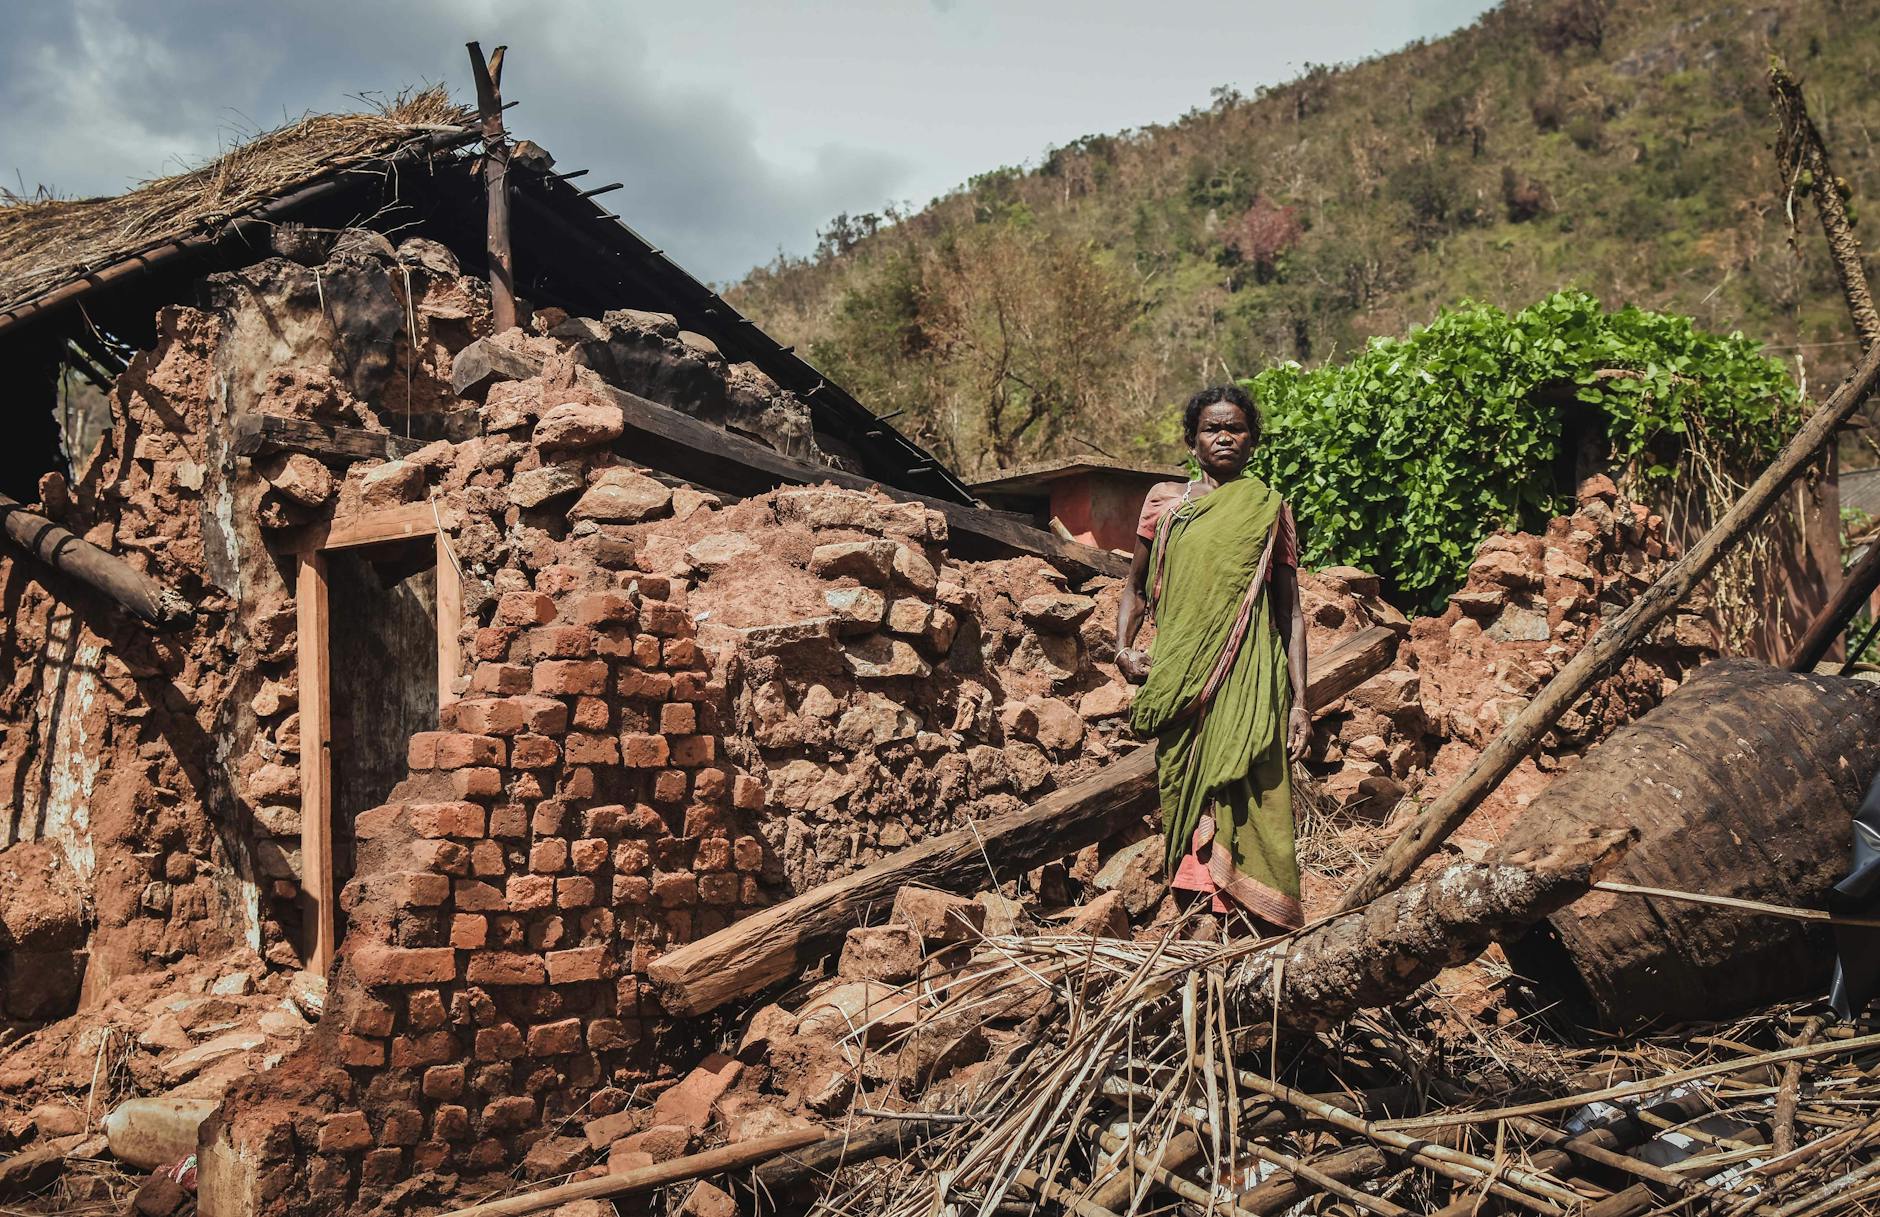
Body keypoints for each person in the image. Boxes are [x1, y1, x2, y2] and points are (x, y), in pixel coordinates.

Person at [1115, 384, 1309, 934]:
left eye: (1236, 429)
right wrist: (1123, 649)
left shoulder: (1270, 511)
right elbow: (1134, 587)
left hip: (1250, 676)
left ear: (1253, 440)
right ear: (1191, 440)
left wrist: (1302, 703)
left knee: (1253, 787)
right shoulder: (1165, 503)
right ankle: (1197, 917)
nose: (1224, 436)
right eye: (1211, 429)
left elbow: (1290, 613)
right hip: (1181, 675)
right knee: (1186, 779)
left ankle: (1254, 923)